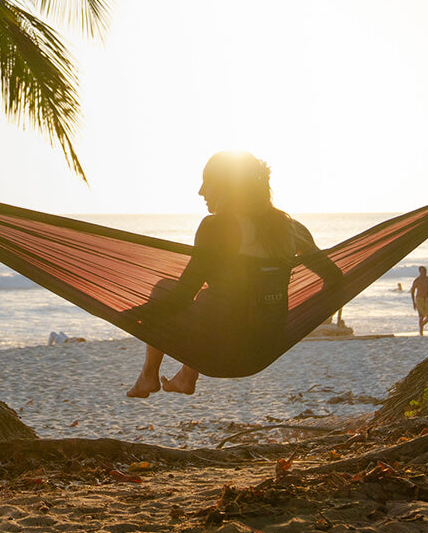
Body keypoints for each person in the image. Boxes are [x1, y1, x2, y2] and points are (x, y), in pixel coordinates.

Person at [125, 151, 342, 398]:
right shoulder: (292, 228)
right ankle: (186, 375)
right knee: (219, 294)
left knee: (165, 288)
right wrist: (294, 320)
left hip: (223, 345)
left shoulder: (216, 226)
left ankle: (148, 375)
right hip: (265, 345)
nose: (201, 191)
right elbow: (334, 278)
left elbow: (182, 297)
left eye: (207, 181)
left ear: (227, 186)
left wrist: (130, 315)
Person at [411, 266, 428, 336]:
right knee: (421, 316)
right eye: (422, 271)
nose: (424, 273)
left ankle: (421, 326)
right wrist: (414, 303)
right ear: (420, 272)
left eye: (425, 271)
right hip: (419, 299)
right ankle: (421, 331)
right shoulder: (417, 280)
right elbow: (412, 292)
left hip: (427, 299)